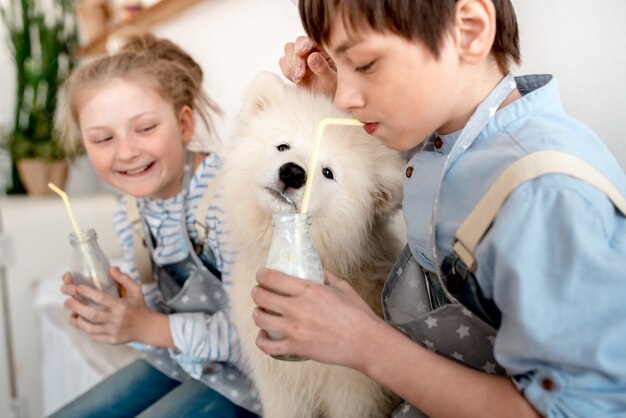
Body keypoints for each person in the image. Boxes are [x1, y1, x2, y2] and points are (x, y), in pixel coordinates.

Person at [252, 0, 626, 417]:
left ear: (468, 30)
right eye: (338, 65)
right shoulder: (438, 137)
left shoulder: (547, 196)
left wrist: (363, 342)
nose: (344, 95)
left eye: (366, 64)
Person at [52, 34, 259, 418]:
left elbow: (260, 337)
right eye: (102, 138)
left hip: (254, 382)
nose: (126, 152)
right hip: (187, 363)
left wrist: (146, 327)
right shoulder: (130, 212)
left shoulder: (226, 204)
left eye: (145, 128)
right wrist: (121, 313)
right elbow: (156, 320)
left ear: (183, 124)